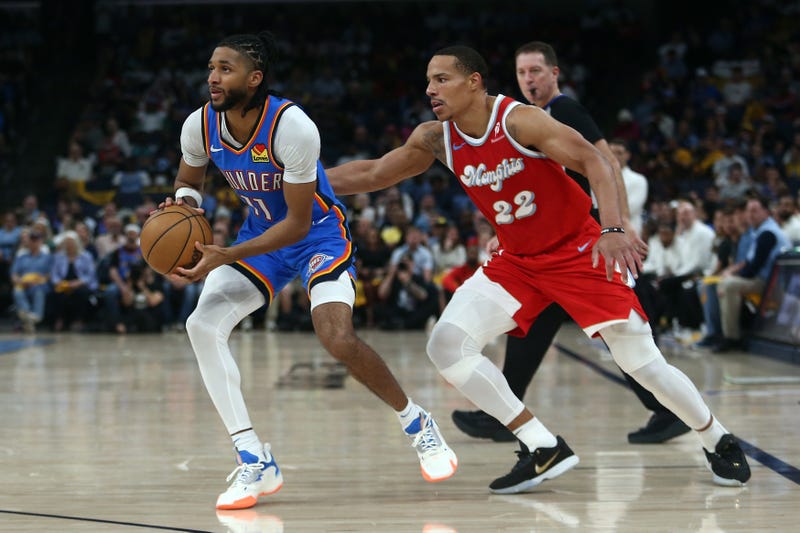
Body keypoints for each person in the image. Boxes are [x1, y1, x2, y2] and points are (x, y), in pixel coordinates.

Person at [326, 45, 750, 493]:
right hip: (518, 261)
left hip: (577, 251)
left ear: (474, 81)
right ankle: (541, 446)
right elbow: (374, 173)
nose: (430, 89)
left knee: (640, 362)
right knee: (447, 344)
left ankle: (716, 438)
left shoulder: (518, 120)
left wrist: (611, 227)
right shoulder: (437, 137)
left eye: (442, 79)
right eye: (429, 80)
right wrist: (297, 179)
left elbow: (596, 161)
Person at [160, 31, 456, 510]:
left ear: (254, 79)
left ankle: (416, 421)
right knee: (201, 324)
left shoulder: (292, 126)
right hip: (260, 237)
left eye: (226, 69)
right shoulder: (199, 124)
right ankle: (254, 457)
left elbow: (297, 223)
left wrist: (226, 255)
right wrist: (182, 211)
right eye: (212, 67)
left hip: (317, 233)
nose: (213, 77)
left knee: (335, 337)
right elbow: (188, 180)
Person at [451, 41, 689, 447]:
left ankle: (672, 410)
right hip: (555, 241)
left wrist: (621, 224)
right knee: (535, 327)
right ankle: (504, 413)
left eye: (536, 72)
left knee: (618, 332)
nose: (529, 80)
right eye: (522, 72)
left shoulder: (565, 111)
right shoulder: (528, 119)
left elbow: (608, 161)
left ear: (554, 74)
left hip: (584, 239)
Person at [714, 194, 791, 352]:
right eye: (749, 211)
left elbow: (753, 269)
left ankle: (731, 338)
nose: (750, 215)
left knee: (729, 285)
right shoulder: (759, 231)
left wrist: (732, 276)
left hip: (775, 285)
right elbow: (748, 263)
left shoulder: (767, 233)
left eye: (755, 211)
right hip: (765, 281)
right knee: (724, 283)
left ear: (766, 212)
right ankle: (724, 333)